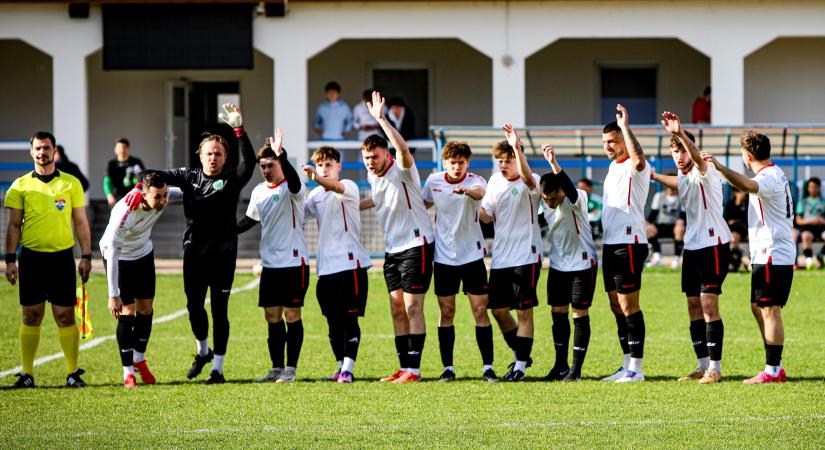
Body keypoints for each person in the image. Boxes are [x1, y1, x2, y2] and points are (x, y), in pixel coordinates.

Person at [127, 103, 256, 384]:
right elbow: (153, 176)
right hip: (194, 253)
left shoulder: (231, 179)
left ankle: (217, 369)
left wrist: (239, 130)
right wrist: (140, 185)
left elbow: (250, 162)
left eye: (218, 154)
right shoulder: (189, 176)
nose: (213, 157)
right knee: (194, 307)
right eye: (209, 153)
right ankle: (203, 351)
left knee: (220, 310)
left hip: (224, 254)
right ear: (200, 155)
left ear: (225, 158)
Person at [701, 131, 795, 384]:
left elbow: (748, 185)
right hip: (768, 253)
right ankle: (775, 365)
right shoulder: (772, 173)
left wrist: (719, 166)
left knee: (769, 310)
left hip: (773, 253)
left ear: (748, 155)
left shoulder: (767, 177)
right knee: (759, 307)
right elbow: (744, 183)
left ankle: (774, 370)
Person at [4, 131, 92, 388]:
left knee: (65, 316)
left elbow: (81, 222)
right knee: (31, 315)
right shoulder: (19, 185)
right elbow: (12, 226)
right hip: (31, 259)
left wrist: (86, 256)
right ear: (31, 152)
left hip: (62, 259)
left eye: (47, 148)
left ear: (55, 151)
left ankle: (72, 373)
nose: (42, 153)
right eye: (38, 149)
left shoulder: (71, 183)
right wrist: (11, 259)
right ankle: (27, 373)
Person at [360, 91, 434, 383]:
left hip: (417, 245)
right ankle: (403, 367)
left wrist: (382, 120)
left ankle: (414, 370)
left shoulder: (403, 169)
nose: (369, 162)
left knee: (413, 307)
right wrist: (347, 203)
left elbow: (403, 148)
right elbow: (376, 200)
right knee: (395, 307)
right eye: (366, 158)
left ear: (386, 155)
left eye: (374, 157)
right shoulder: (372, 176)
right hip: (393, 250)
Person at [654, 112, 731, 384]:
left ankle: (716, 368)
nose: (679, 156)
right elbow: (680, 182)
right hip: (693, 246)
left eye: (682, 151)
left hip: (714, 244)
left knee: (709, 303)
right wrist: (653, 174)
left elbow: (696, 159)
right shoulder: (683, 173)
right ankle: (701, 365)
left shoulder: (704, 166)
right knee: (693, 304)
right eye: (674, 152)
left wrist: (681, 132)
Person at [422, 141, 497, 383]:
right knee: (447, 312)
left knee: (480, 311)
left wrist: (466, 192)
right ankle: (448, 368)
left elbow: (482, 194)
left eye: (461, 163)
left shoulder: (476, 181)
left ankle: (488, 367)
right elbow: (423, 204)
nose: (457, 167)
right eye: (452, 162)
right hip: (444, 258)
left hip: (473, 256)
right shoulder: (433, 181)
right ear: (444, 162)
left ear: (468, 163)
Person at [237, 130, 308, 383]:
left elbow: (296, 182)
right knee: (272, 316)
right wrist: (225, 229)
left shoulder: (292, 188)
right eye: (263, 166)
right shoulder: (258, 191)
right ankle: (276, 368)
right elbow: (249, 220)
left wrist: (282, 154)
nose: (266, 170)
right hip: (270, 264)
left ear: (279, 163)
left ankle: (291, 369)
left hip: (293, 262)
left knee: (292, 315)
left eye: (271, 164)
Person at [99, 171, 180, 388]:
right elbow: (113, 253)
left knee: (146, 308)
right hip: (119, 258)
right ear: (143, 195)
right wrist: (113, 294)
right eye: (158, 197)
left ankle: (139, 360)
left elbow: (187, 189)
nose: (163, 200)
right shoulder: (124, 213)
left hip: (143, 253)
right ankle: (128, 373)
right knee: (128, 310)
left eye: (165, 195)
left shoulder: (162, 195)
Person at [479, 124, 542, 382]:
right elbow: (485, 216)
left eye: (508, 160)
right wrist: (467, 202)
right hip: (501, 258)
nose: (504, 165)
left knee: (524, 312)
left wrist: (517, 146)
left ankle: (519, 367)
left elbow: (528, 179)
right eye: (500, 161)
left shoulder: (532, 179)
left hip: (526, 256)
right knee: (498, 310)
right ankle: (522, 354)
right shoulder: (494, 182)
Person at [303, 146, 372, 384]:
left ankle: (349, 370)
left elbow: (335, 187)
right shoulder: (315, 196)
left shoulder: (349, 186)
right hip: (325, 269)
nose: (325, 168)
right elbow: (299, 214)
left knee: (349, 320)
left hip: (350, 265)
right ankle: (339, 367)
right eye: (321, 164)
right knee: (332, 323)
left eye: (329, 164)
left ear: (339, 166)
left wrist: (316, 178)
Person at [599, 104, 651, 383]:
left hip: (629, 244)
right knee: (615, 305)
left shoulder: (636, 165)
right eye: (605, 142)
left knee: (629, 305)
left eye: (613, 141)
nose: (608, 146)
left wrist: (626, 127)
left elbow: (639, 158)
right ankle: (626, 364)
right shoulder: (611, 166)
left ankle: (637, 369)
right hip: (610, 244)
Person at [539, 144, 597, 382]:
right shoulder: (545, 201)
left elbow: (571, 192)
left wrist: (554, 164)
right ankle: (560, 366)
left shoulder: (577, 198)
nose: (550, 203)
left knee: (579, 313)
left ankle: (576, 370)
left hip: (582, 265)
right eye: (546, 199)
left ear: (562, 191)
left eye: (553, 198)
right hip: (558, 265)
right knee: (557, 314)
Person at [646, 175, 686, 268]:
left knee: (680, 228)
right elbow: (653, 214)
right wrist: (647, 222)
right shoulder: (659, 196)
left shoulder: (682, 197)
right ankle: (657, 256)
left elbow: (683, 215)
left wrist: (681, 221)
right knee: (648, 228)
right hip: (661, 225)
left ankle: (676, 260)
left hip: (675, 226)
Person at [793, 177, 825, 269]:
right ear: (808, 188)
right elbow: (798, 220)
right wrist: (811, 220)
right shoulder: (803, 202)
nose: (813, 189)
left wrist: (821, 220)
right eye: (811, 187)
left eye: (815, 187)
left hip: (821, 227)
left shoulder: (823, 202)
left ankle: (820, 255)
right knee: (806, 236)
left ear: (819, 188)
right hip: (807, 227)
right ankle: (809, 261)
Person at [104, 138, 145, 207]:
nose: (122, 150)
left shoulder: (136, 162)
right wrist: (109, 195)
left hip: (134, 197)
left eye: (124, 147)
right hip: (117, 197)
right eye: (119, 148)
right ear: (115, 149)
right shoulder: (112, 164)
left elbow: (143, 179)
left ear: (128, 148)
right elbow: (107, 181)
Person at [725, 188, 750, 271]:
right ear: (736, 193)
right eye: (740, 191)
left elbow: (747, 221)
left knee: (734, 236)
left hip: (743, 229)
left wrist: (736, 221)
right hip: (732, 230)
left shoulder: (748, 204)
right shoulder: (730, 205)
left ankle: (735, 258)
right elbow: (726, 221)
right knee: (731, 236)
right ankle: (735, 259)